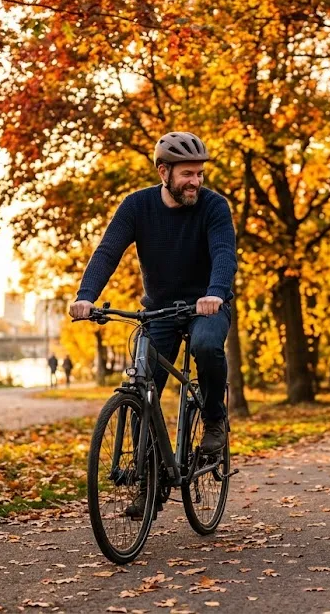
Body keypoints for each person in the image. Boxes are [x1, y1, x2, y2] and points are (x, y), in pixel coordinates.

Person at [69, 131, 237, 515]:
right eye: (187, 174)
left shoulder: (214, 206)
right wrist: (86, 296)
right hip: (159, 309)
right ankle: (151, 480)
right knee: (142, 386)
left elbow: (224, 252)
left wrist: (215, 292)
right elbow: (108, 250)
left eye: (199, 173)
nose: (195, 181)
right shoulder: (137, 207)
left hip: (206, 304)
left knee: (206, 346)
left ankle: (213, 419)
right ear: (164, 172)